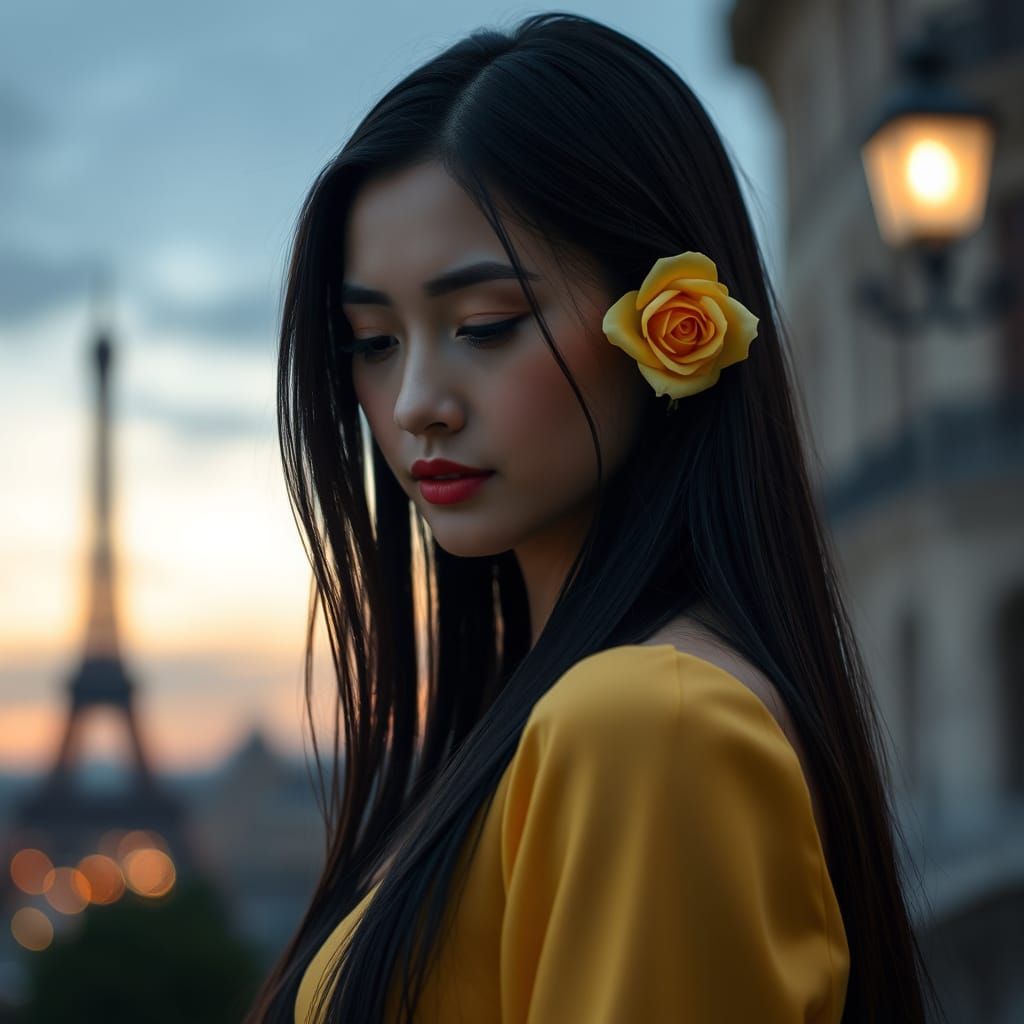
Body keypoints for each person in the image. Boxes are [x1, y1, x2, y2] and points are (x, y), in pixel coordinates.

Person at [244, 12, 942, 1023]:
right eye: (371, 340)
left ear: (669, 325)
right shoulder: (562, 716)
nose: (412, 404)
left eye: (483, 327)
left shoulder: (649, 721)